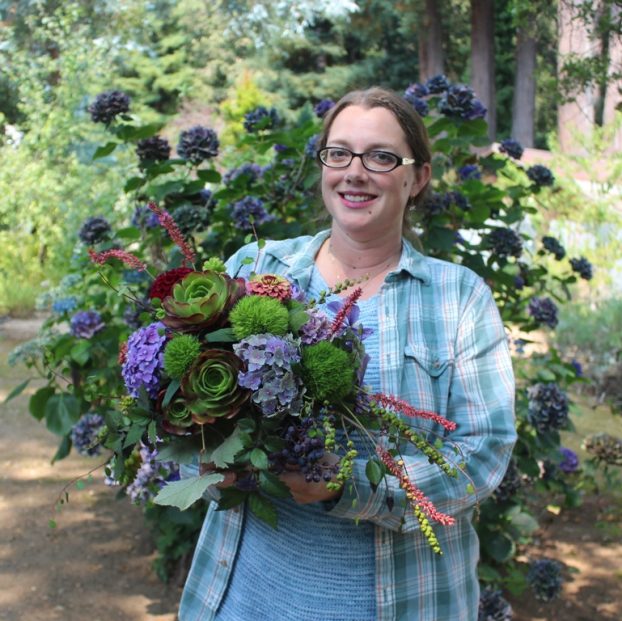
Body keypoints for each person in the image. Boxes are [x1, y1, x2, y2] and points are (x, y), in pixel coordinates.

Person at [178, 87, 516, 621]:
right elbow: (190, 403)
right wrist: (197, 449)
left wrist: (348, 484)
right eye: (339, 154)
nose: (354, 172)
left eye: (381, 157)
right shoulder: (258, 269)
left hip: (406, 600)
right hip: (250, 598)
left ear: (418, 177)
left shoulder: (459, 296)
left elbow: (484, 454)